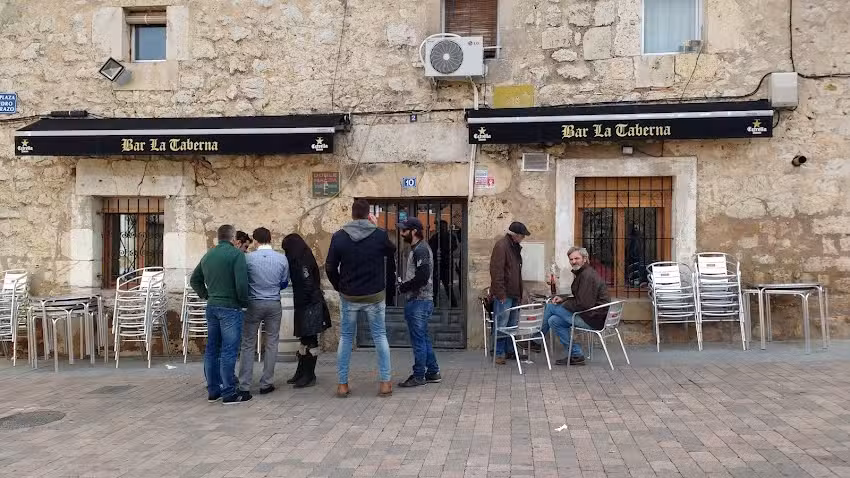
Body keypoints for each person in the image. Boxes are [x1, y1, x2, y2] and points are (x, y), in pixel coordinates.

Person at [326, 199, 396, 398]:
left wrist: (339, 286)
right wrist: (376, 226)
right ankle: (385, 383)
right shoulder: (379, 235)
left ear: (352, 214)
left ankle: (342, 385)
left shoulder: (339, 237)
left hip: (349, 295)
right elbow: (392, 250)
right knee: (380, 336)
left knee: (346, 338)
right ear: (368, 214)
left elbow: (330, 266)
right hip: (374, 294)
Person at [190, 224, 251, 404]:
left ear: (218, 237)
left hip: (212, 306)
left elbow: (195, 280)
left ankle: (213, 390)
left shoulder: (209, 255)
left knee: (211, 350)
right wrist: (243, 302)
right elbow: (241, 284)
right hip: (230, 307)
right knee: (229, 351)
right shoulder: (237, 255)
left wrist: (207, 295)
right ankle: (230, 392)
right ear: (233, 239)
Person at [237, 227, 289, 395]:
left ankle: (244, 384)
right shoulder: (282, 259)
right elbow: (284, 283)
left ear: (256, 241)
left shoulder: (248, 259)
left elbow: (244, 280)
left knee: (248, 343)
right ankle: (266, 382)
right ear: (270, 239)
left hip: (254, 302)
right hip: (273, 302)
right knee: (272, 342)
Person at [544, 247, 611, 366]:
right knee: (554, 321)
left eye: (577, 258)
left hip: (592, 319)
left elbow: (584, 304)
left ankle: (536, 340)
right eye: (571, 259)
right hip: (591, 315)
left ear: (584, 259)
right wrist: (564, 299)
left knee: (550, 307)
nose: (574, 261)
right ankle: (576, 354)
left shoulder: (587, 276)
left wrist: (564, 304)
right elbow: (581, 298)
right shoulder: (583, 273)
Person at [282, 233, 332, 388]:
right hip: (306, 303)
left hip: (309, 304)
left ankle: (309, 374)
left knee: (310, 340)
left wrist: (306, 303)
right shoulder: (302, 257)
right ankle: (302, 372)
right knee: (304, 340)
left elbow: (307, 282)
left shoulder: (301, 261)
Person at [396, 218, 441, 388]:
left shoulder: (421, 250)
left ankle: (419, 375)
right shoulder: (418, 249)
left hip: (419, 301)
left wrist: (404, 287)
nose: (401, 233)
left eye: (404, 230)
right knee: (423, 338)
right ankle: (433, 372)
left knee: (418, 341)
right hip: (419, 301)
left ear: (414, 231)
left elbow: (422, 277)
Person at [489, 221, 531, 365]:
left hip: (513, 292)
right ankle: (499, 353)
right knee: (502, 324)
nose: (523, 238)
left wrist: (520, 292)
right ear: (516, 235)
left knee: (512, 324)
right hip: (505, 293)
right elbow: (496, 271)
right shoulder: (502, 246)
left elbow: (516, 272)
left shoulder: (514, 247)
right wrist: (500, 294)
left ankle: (509, 350)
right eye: (522, 236)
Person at [428, 220, 459, 307]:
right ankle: (450, 305)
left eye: (441, 226)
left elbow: (454, 247)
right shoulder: (436, 237)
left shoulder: (448, 237)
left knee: (446, 287)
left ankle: (451, 305)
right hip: (441, 264)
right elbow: (431, 248)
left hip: (445, 264)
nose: (440, 228)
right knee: (439, 288)